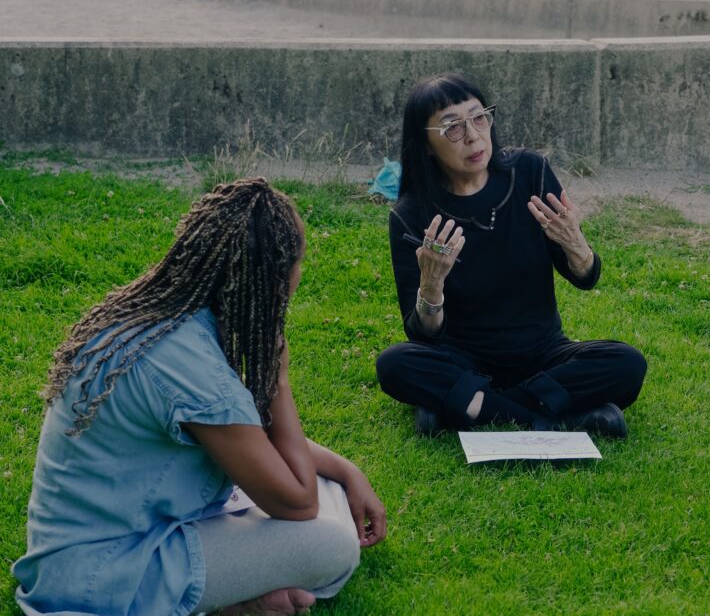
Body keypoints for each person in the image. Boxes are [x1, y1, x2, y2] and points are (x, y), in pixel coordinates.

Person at [13, 178, 386, 616]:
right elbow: (299, 503)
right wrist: (277, 381)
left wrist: (346, 470)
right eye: (300, 262)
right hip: (107, 577)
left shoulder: (168, 318)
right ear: (274, 276)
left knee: (322, 485)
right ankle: (230, 606)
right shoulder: (191, 367)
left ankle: (227, 599)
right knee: (333, 544)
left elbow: (253, 447)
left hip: (99, 548)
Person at [376, 73, 647, 438]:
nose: (472, 135)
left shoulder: (529, 172)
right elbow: (422, 335)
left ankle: (470, 409)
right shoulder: (412, 215)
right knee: (395, 364)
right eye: (452, 128)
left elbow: (586, 278)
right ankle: (561, 417)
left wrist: (576, 245)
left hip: (543, 354)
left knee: (627, 363)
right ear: (425, 144)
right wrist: (432, 286)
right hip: (464, 359)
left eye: (479, 117)